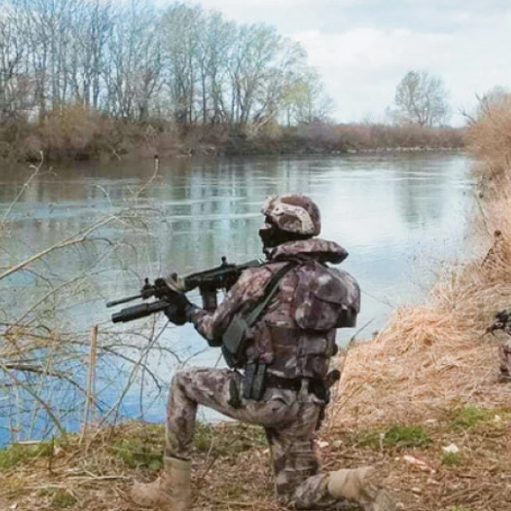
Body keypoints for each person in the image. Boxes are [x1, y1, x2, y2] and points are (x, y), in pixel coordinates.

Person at [129, 194, 397, 511]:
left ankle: (173, 490)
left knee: (183, 383)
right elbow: (299, 315)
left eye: (267, 223)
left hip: (266, 399)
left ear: (279, 229)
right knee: (294, 497)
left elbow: (215, 332)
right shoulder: (342, 282)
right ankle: (352, 482)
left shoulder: (257, 278)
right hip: (309, 402)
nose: (263, 229)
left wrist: (187, 310)